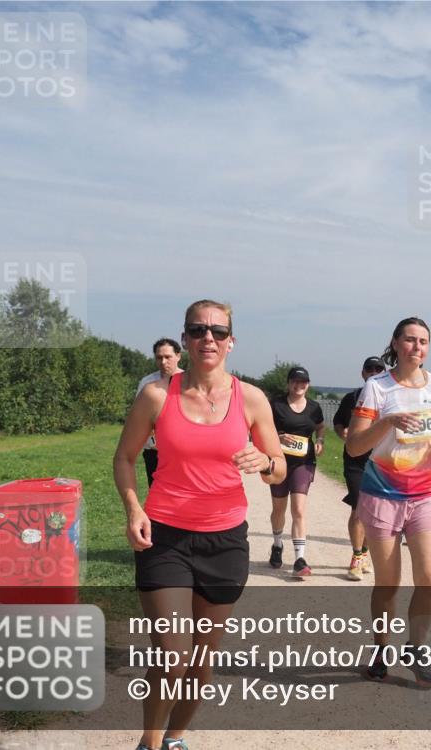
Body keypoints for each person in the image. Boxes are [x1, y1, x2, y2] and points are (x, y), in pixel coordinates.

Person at [113, 299, 285, 750]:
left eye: (218, 331)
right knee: (172, 655)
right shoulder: (156, 396)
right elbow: (124, 459)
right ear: (186, 339)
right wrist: (134, 509)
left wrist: (265, 459)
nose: (209, 337)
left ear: (231, 341)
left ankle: (175, 737)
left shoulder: (251, 399)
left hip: (225, 541)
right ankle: (148, 744)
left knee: (202, 661)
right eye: (198, 329)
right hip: (166, 537)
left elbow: (279, 469)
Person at [345, 317, 431, 687]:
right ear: (395, 344)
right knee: (388, 584)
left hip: (426, 493)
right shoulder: (377, 388)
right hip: (383, 495)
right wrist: (389, 421)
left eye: (423, 341)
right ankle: (381, 648)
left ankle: (415, 647)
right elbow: (355, 445)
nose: (417, 347)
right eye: (409, 340)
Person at [333, 356, 386, 580]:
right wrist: (342, 433)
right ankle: (356, 557)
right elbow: (338, 422)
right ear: (363, 373)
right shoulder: (352, 397)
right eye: (370, 369)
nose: (374, 372)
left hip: (380, 461)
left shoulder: (389, 399)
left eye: (379, 369)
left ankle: (364, 553)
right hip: (354, 460)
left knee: (372, 511)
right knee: (358, 506)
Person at [269, 366, 325, 578]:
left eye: (303, 382)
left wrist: (320, 440)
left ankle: (300, 559)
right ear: (288, 383)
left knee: (299, 510)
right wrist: (278, 437)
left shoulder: (314, 407)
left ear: (308, 385)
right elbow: (261, 428)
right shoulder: (276, 404)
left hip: (304, 462)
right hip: (279, 462)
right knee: (279, 510)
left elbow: (320, 427)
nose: (299, 385)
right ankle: (277, 544)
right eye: (295, 381)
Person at [136, 338, 184, 487]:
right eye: (159, 357)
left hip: (182, 451)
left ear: (178, 356)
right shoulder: (147, 383)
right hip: (154, 452)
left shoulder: (190, 382)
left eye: (168, 357)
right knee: (157, 493)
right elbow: (138, 417)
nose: (163, 362)